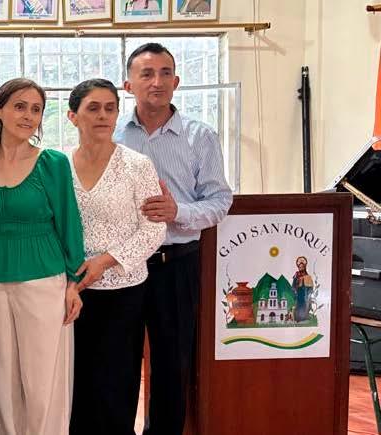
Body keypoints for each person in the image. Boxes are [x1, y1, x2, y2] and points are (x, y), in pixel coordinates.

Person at [115, 42, 233, 435]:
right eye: (147, 74)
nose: (157, 81)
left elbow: (220, 201)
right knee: (119, 362)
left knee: (172, 364)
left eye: (166, 73)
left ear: (177, 81)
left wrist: (177, 211)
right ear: (128, 85)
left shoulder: (200, 136)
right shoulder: (113, 135)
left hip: (177, 264)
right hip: (122, 266)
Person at [0, 77, 85, 435]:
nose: (28, 116)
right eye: (20, 107)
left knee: (43, 384)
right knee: (2, 381)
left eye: (36, 110)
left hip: (44, 281)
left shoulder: (52, 163)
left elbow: (70, 223)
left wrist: (73, 283)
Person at [63, 79, 166, 435]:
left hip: (124, 291)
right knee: (75, 385)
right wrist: (71, 277)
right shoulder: (57, 164)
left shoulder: (137, 165)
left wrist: (105, 261)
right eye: (93, 108)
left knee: (115, 384)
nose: (103, 115)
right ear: (73, 116)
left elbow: (153, 230)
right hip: (71, 291)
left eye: (110, 108)